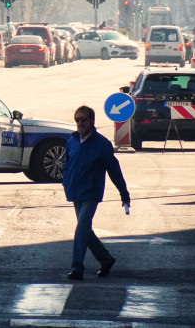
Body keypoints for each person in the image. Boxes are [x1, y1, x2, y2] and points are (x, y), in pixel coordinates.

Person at [62, 105, 130, 280]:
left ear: (92, 120)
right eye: (77, 120)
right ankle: (106, 260)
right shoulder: (72, 141)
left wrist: (124, 193)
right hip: (75, 190)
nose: (80, 123)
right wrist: (66, 181)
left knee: (81, 227)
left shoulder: (102, 144)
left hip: (91, 192)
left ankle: (77, 268)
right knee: (85, 230)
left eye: (83, 119)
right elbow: (67, 164)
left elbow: (114, 170)